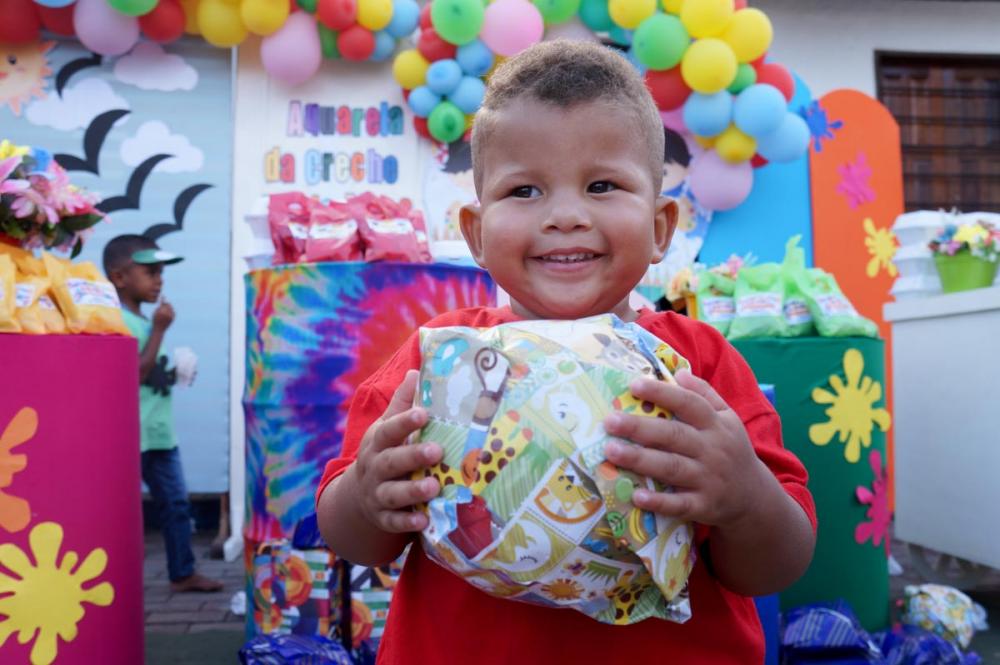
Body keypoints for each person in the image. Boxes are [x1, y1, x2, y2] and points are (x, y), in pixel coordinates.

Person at [317, 41, 815, 663]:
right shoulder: (437, 360)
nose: (566, 216)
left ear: (661, 227)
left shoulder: (696, 367)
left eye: (602, 185)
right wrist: (366, 496)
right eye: (525, 191)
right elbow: (354, 539)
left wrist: (743, 496)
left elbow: (778, 565)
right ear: (475, 231)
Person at [103, 234, 223, 593]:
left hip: (159, 434)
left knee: (176, 505)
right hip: (130, 436)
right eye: (150, 272)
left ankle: (182, 572)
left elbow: (149, 372)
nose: (159, 280)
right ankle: (114, 576)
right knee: (120, 510)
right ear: (120, 277)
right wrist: (158, 329)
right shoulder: (118, 321)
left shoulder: (142, 320)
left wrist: (174, 373)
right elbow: (133, 374)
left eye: (161, 273)